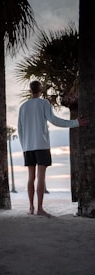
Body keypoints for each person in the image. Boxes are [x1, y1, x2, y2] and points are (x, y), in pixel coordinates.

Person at [17, 80, 89, 217]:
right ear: (41, 89)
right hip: (41, 145)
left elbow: (20, 129)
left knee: (30, 177)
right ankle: (39, 209)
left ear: (30, 90)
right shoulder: (44, 103)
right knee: (41, 177)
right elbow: (54, 120)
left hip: (28, 147)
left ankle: (31, 208)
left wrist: (24, 146)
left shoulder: (23, 107)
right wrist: (75, 123)